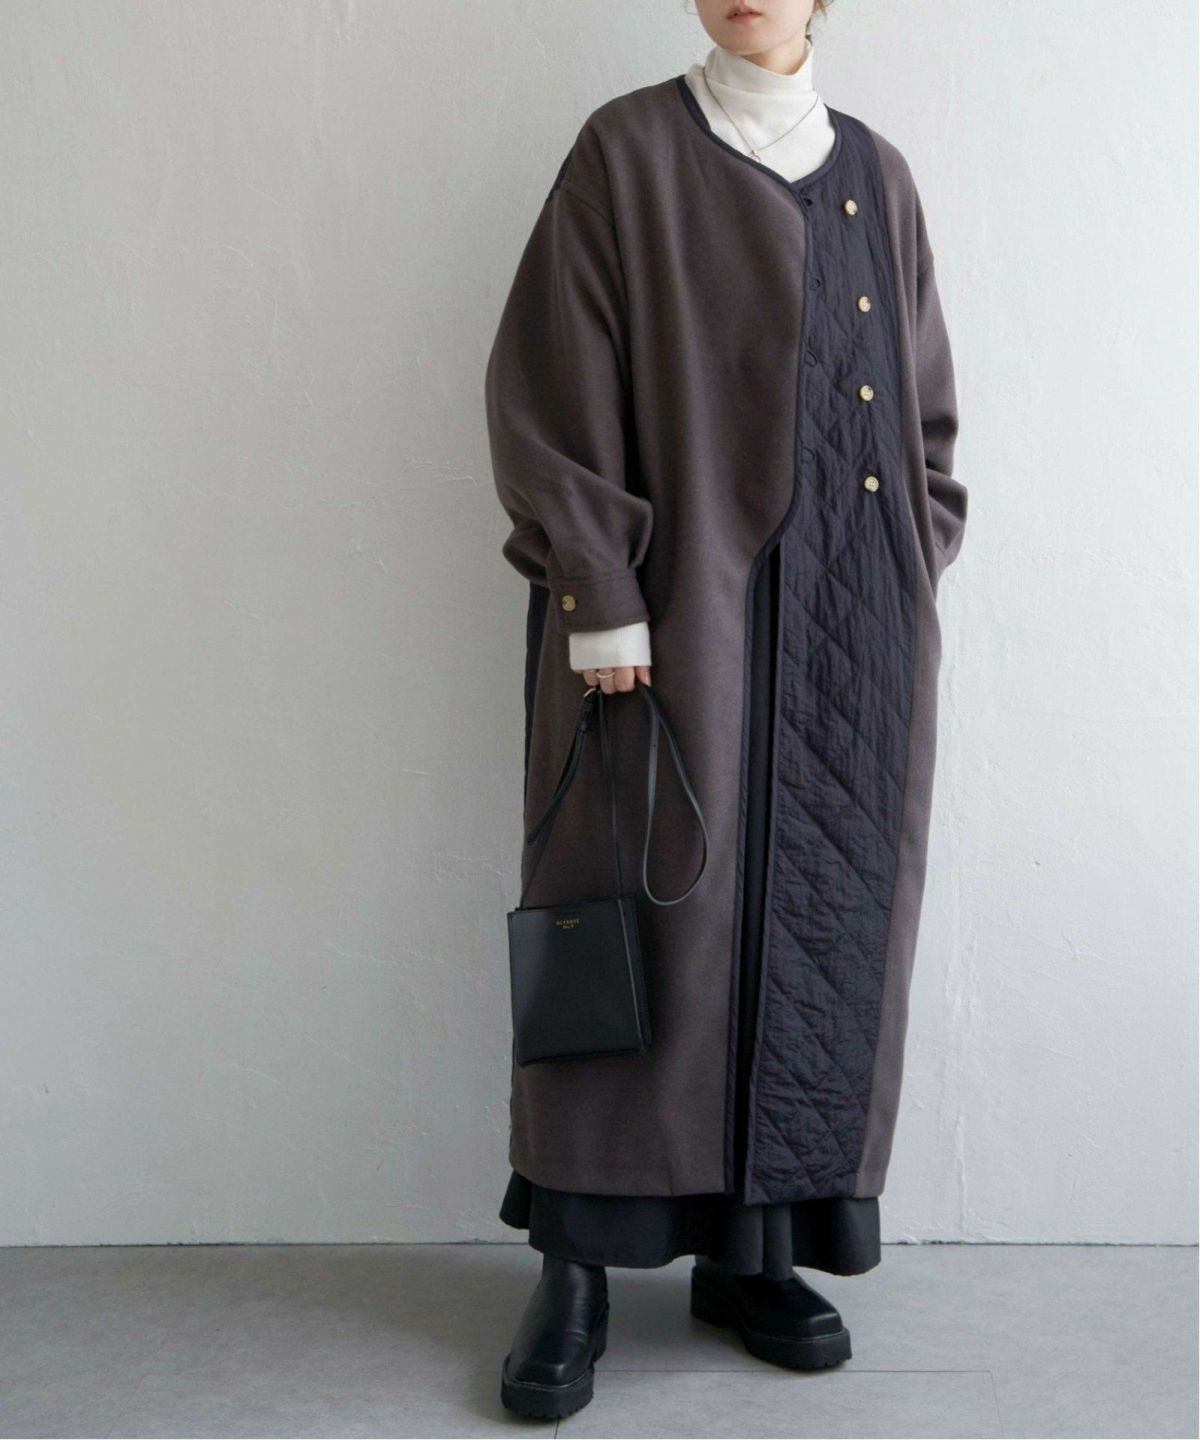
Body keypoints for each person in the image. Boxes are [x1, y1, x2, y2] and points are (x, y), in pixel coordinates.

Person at [484, 0, 966, 1419]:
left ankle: (755, 1256)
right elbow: (548, 391)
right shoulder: (625, 153)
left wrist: (907, 558)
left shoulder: (877, 174)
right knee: (626, 915)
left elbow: (927, 421)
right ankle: (575, 1264)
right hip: (657, 625)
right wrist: (600, 591)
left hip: (851, 642)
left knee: (817, 926)